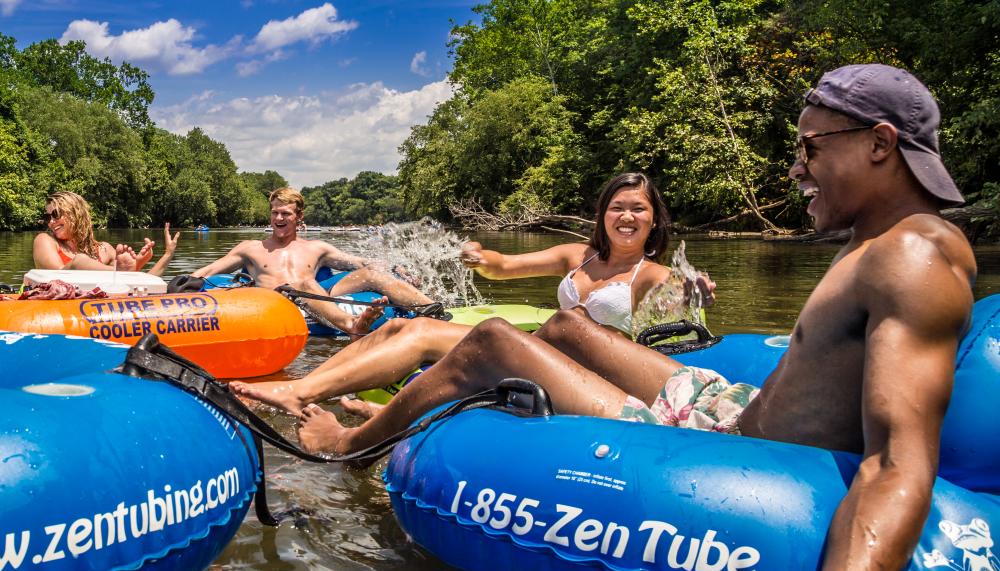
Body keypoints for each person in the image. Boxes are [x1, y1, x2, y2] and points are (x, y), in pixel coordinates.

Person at [294, 64, 976, 571]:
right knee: (565, 330)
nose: (798, 169)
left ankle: (347, 446)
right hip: (730, 403)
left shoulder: (913, 257)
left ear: (881, 144)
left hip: (737, 446)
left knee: (491, 343)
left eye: (811, 148)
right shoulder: (888, 241)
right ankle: (437, 390)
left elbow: (896, 460)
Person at [230, 172, 716, 416]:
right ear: (602, 215)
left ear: (654, 220)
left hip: (587, 373)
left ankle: (304, 392)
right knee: (404, 325)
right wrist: (477, 254)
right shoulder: (577, 256)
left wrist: (693, 293)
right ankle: (300, 388)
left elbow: (678, 309)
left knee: (426, 338)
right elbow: (503, 268)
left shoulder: (652, 274)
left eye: (637, 210)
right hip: (548, 350)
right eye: (616, 207)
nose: (626, 217)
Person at [191, 187, 434, 335]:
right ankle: (351, 325)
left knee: (371, 273)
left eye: (285, 213)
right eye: (274, 212)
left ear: (299, 217)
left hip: (319, 295)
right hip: (276, 302)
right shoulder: (251, 248)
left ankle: (433, 311)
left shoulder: (317, 248)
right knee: (302, 283)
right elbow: (211, 269)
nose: (279, 218)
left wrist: (395, 269)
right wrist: (183, 284)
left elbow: (359, 263)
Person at [32, 191, 178, 276]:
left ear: (75, 213)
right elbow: (59, 274)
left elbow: (133, 284)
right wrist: (117, 271)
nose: (50, 222)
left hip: (99, 305)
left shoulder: (105, 249)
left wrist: (144, 261)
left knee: (122, 271)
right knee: (80, 261)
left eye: (56, 214)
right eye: (47, 217)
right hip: (57, 305)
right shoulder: (44, 240)